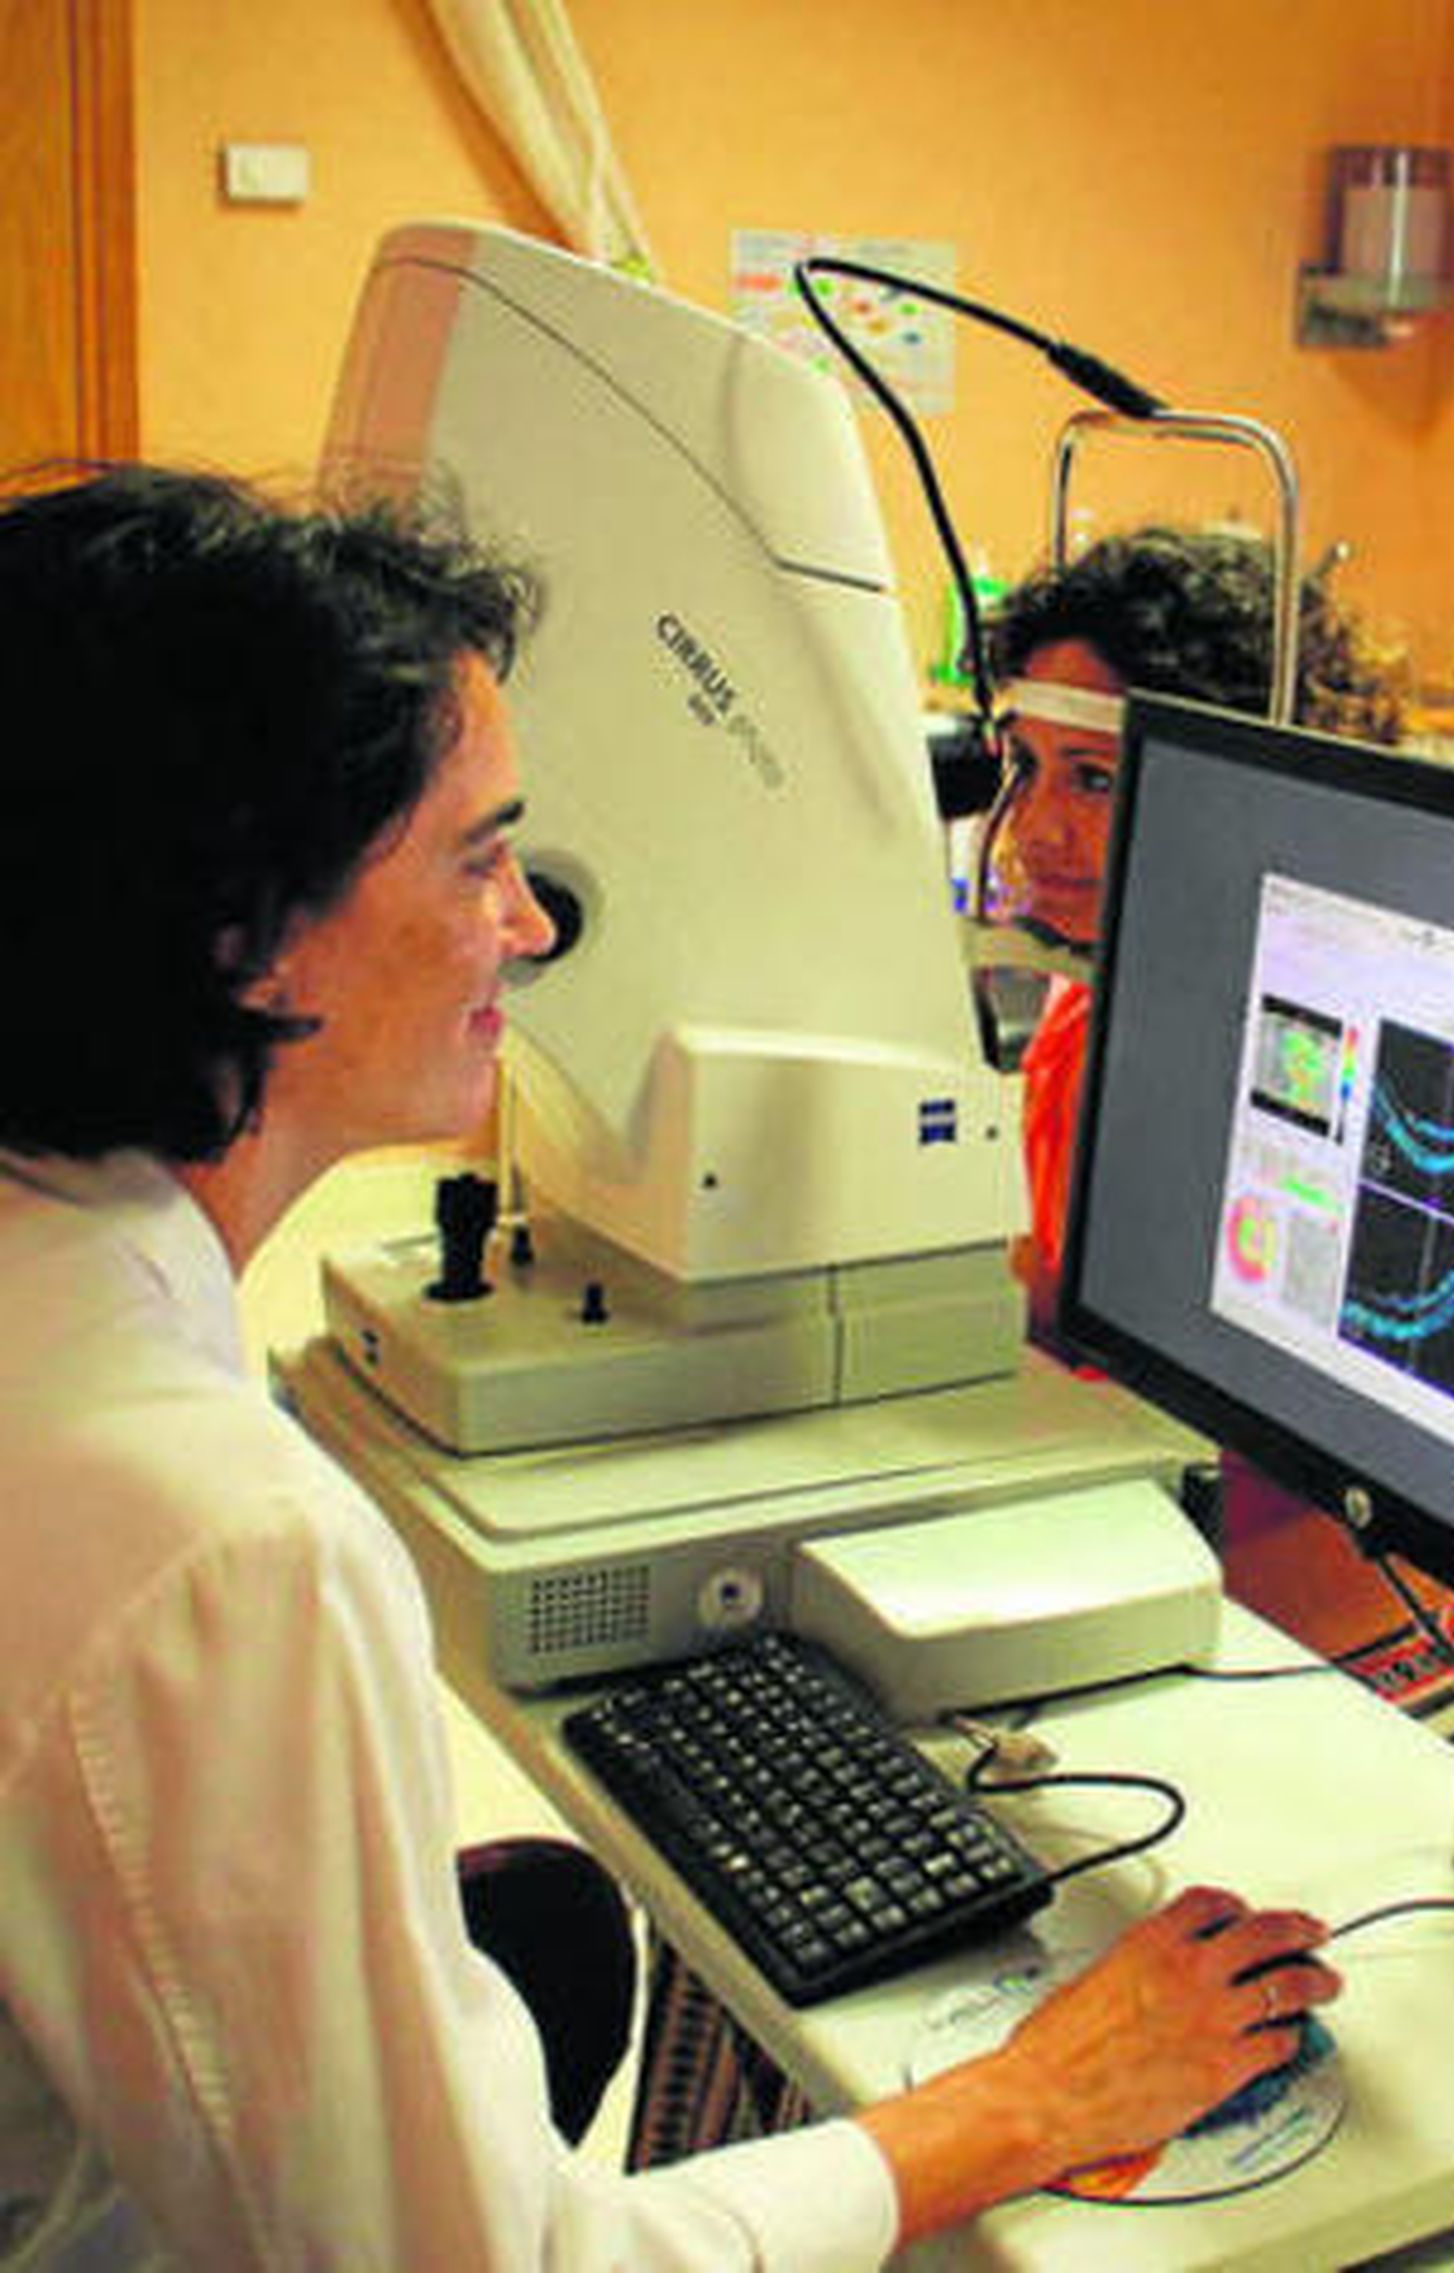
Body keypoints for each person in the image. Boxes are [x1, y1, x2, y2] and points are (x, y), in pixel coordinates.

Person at [0, 466, 1340, 2269]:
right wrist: (1034, 2096)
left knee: (548, 1924)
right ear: (244, 931)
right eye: (478, 857)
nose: (533, 925)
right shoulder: (221, 1545)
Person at [982, 522, 1407, 1332]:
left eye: (1094, 779)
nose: (1035, 828)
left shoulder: (1291, 1058)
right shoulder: (1090, 998)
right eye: (1027, 765)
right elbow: (1051, 1285)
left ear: (1234, 792)